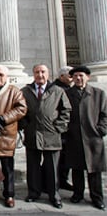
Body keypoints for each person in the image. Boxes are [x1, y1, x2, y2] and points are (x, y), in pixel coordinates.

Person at [19, 64, 71, 209]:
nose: (40, 75)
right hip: (32, 135)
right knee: (33, 167)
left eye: (43, 72)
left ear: (48, 74)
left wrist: (58, 128)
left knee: (52, 168)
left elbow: (66, 111)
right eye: (37, 72)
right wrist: (24, 126)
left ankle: (54, 195)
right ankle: (33, 192)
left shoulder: (57, 90)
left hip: (51, 136)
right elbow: (21, 111)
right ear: (33, 74)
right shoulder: (25, 91)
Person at [0, 65, 27, 208]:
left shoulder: (14, 91)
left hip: (7, 136)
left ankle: (9, 195)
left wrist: (2, 119)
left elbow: (22, 108)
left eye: (1, 75)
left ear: (6, 76)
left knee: (8, 169)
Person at [65, 66, 107, 211]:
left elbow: (104, 115)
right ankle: (78, 194)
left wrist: (101, 130)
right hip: (74, 138)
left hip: (93, 138)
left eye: (81, 75)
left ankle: (97, 198)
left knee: (94, 171)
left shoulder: (98, 94)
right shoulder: (67, 94)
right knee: (77, 169)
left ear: (87, 77)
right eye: (75, 76)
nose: (78, 78)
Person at [53, 66, 74, 191]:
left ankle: (62, 179)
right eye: (70, 75)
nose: (73, 78)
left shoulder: (70, 89)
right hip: (59, 130)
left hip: (68, 129)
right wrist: (59, 127)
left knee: (66, 157)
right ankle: (55, 181)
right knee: (57, 158)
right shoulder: (56, 89)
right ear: (62, 76)